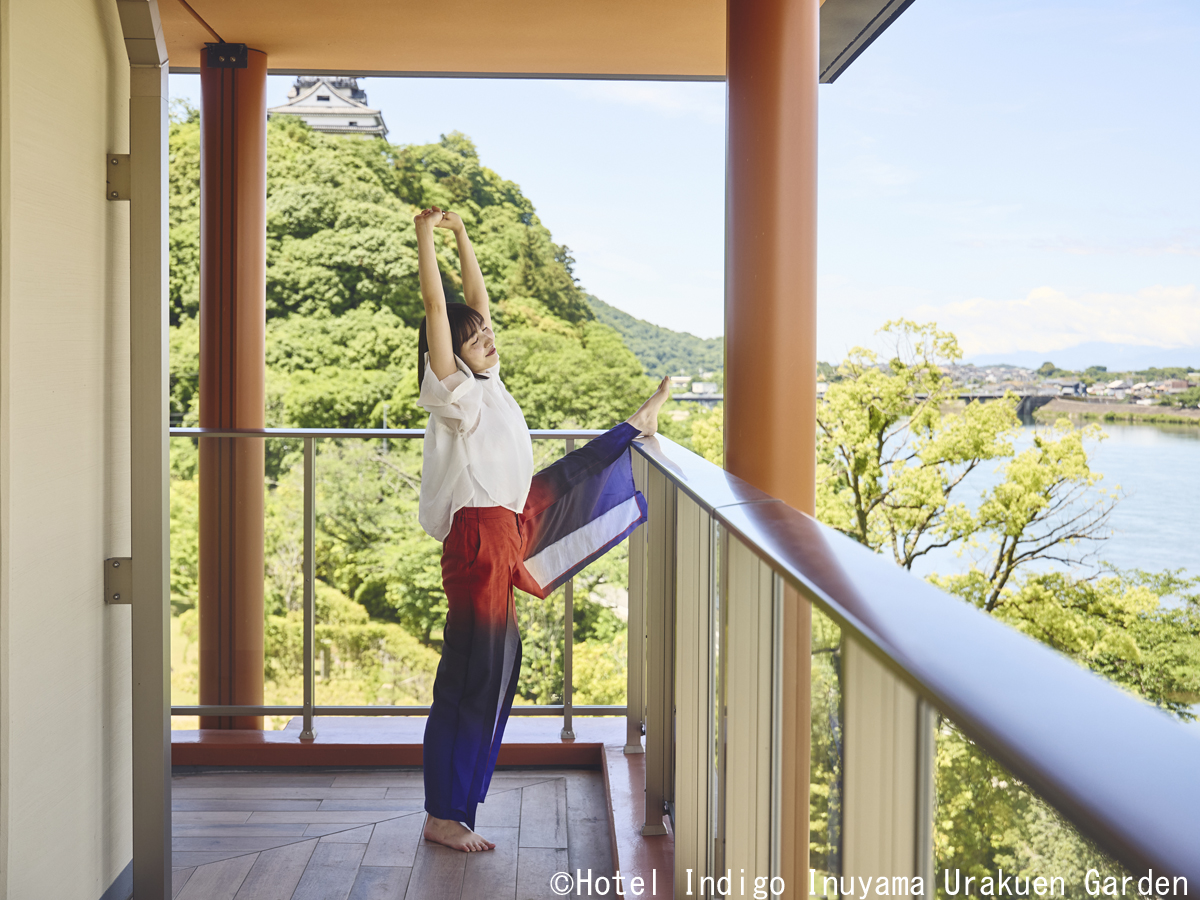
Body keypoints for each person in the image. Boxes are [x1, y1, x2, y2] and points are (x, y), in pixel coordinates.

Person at [413, 206, 670, 852]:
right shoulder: (455, 393)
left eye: (487, 335)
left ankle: (632, 427)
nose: (487, 340)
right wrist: (424, 239)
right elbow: (442, 312)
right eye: (475, 342)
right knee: (474, 676)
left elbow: (474, 303)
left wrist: (464, 237)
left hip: (507, 525)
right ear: (451, 357)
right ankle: (444, 812)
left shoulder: (488, 382)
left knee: (498, 668)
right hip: (479, 540)